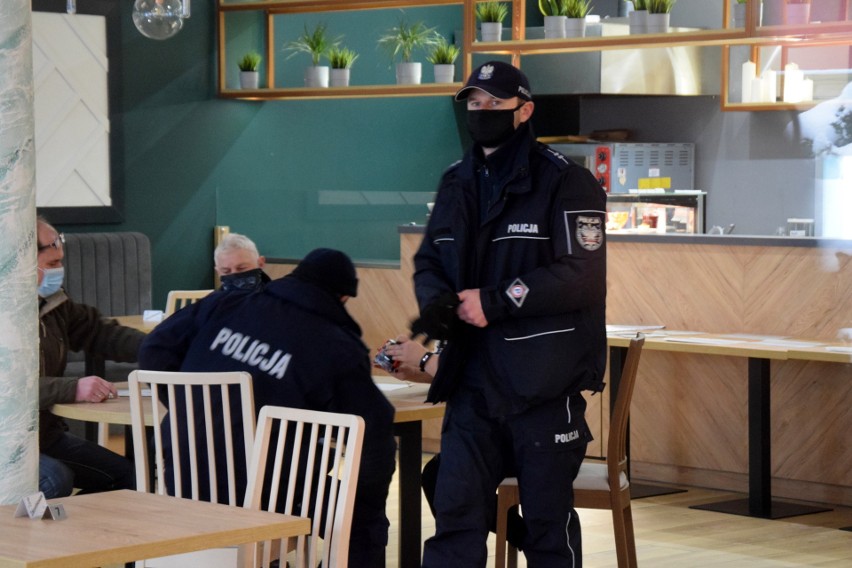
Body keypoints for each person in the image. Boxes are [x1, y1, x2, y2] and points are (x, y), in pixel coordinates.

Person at [413, 61, 608, 567]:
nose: (481, 113)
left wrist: (495, 300)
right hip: (471, 384)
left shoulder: (568, 181)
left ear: (524, 111)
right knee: (454, 519)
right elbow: (431, 259)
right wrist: (435, 300)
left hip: (543, 386)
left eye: (494, 104)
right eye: (474, 104)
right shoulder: (456, 181)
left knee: (547, 528)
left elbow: (583, 273)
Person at [137, 248, 397, 568]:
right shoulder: (334, 344)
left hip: (181, 476)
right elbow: (375, 431)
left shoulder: (225, 302)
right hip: (268, 495)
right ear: (342, 298)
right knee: (363, 516)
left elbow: (153, 350)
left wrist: (190, 409)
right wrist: (365, 493)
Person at [36, 217, 140, 497]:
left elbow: (98, 332)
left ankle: (81, 540)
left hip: (42, 437)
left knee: (127, 477)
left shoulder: (54, 303)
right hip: (8, 444)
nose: (61, 270)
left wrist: (164, 347)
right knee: (55, 480)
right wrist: (73, 387)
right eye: (53, 263)